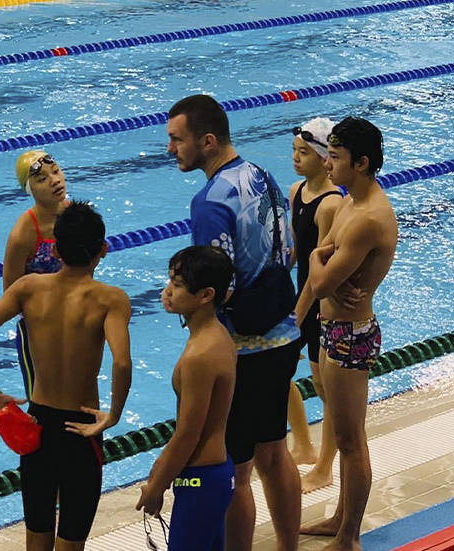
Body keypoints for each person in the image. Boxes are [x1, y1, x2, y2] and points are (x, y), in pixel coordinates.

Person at [167, 94, 302, 551]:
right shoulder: (262, 174)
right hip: (283, 333)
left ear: (207, 141)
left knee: (236, 473)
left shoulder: (209, 202)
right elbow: (288, 251)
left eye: (177, 139)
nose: (171, 149)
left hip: (241, 350)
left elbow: (213, 287)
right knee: (275, 452)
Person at [0, 201, 132, 551]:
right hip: (80, 430)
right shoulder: (110, 299)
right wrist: (113, 415)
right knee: (71, 540)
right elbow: (121, 363)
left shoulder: (28, 288)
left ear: (55, 250)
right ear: (103, 249)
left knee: (37, 537)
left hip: (37, 427)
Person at [298, 117, 398, 551]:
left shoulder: (367, 217)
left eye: (335, 158)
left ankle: (349, 537)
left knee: (351, 440)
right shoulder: (349, 203)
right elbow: (325, 263)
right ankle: (340, 519)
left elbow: (320, 279)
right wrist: (325, 262)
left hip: (350, 334)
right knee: (344, 435)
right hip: (335, 328)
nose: (328, 164)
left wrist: (320, 261)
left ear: (361, 163)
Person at [135, 245, 236, 551]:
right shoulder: (220, 335)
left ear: (205, 295)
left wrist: (157, 486)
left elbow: (188, 434)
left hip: (200, 481)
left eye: (177, 285)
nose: (167, 291)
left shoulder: (199, 356)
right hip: (214, 474)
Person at [287, 118, 343, 492]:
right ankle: (304, 446)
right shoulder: (296, 191)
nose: (296, 157)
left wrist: (298, 313)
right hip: (301, 299)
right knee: (278, 373)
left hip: (322, 305)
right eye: (294, 150)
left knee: (327, 390)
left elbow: (317, 269)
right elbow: (294, 252)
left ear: (325, 159)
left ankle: (325, 467)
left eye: (304, 152)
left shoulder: (331, 204)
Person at [4, 150, 68, 399]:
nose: (55, 180)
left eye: (56, 171)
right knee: (42, 403)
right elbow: (10, 294)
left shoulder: (74, 216)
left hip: (73, 320)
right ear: (29, 189)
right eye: (42, 179)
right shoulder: (23, 234)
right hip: (37, 331)